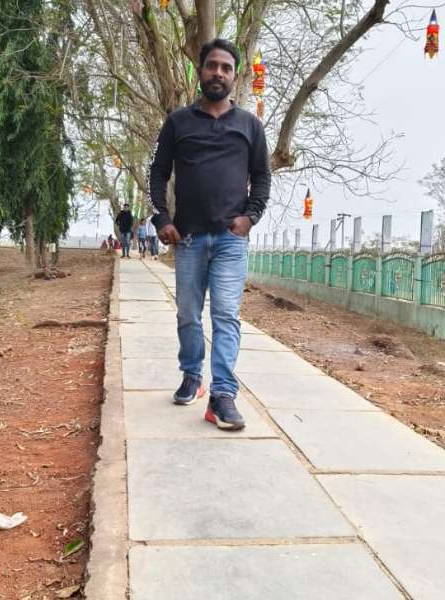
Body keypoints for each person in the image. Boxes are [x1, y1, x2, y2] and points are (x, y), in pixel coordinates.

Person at [148, 38, 271, 430]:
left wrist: (250, 217)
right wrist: (162, 218)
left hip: (231, 240)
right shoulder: (178, 123)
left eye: (226, 68)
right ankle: (192, 375)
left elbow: (262, 177)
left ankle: (222, 396)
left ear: (235, 76)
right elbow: (157, 172)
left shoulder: (250, 125)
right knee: (188, 314)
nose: (218, 73)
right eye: (212, 65)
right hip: (187, 239)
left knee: (225, 315)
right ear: (200, 71)